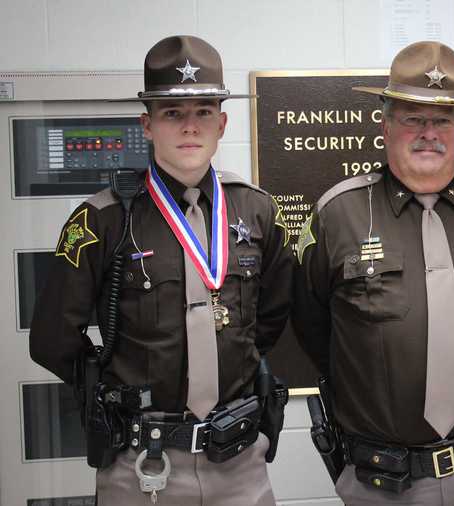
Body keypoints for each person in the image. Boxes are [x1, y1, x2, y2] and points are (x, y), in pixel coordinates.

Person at [29, 35, 294, 505]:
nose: (190, 127)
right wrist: (111, 393)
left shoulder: (256, 212)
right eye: (173, 114)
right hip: (141, 464)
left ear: (222, 123)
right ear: (147, 125)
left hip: (239, 463)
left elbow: (270, 319)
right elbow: (52, 338)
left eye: (203, 112)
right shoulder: (102, 220)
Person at [293, 41, 454, 505]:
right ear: (386, 124)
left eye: (442, 119)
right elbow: (312, 327)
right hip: (384, 478)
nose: (427, 132)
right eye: (413, 117)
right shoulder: (338, 215)